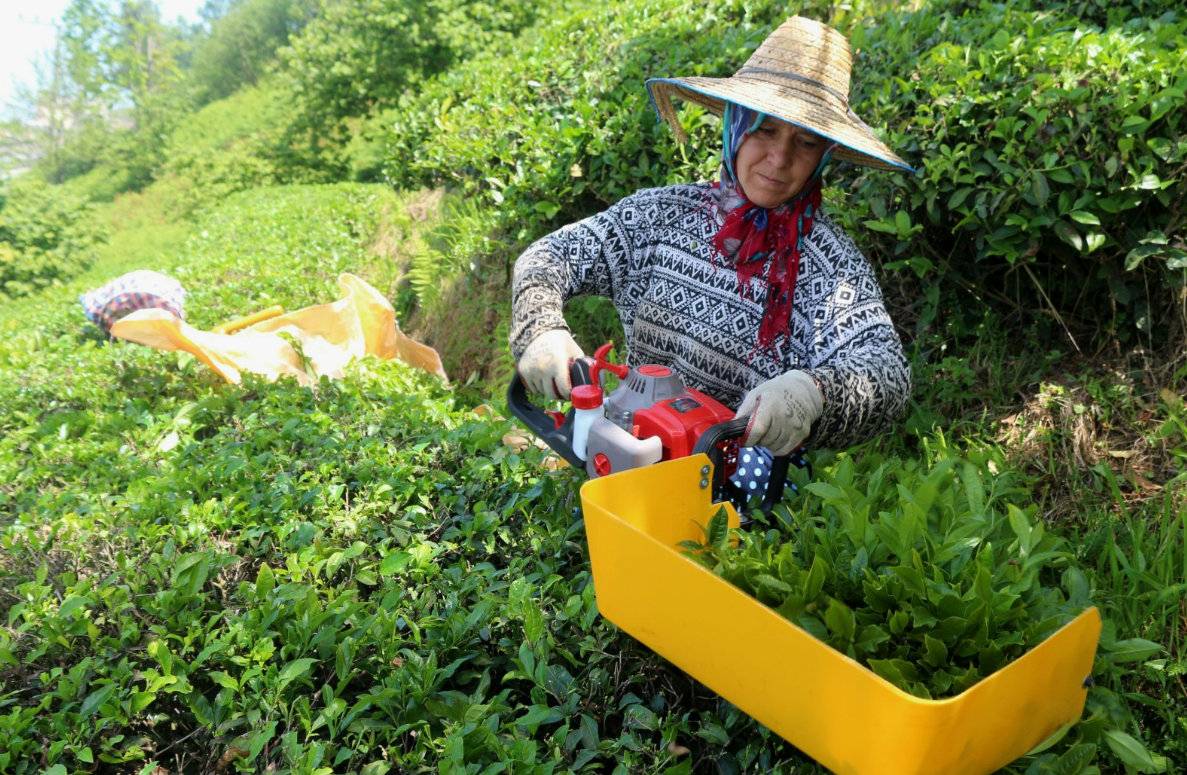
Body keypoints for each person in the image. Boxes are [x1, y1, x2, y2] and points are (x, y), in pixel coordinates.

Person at [510, 16, 913, 488]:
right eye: (764, 131)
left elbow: (885, 374)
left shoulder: (829, 264)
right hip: (627, 461)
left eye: (804, 142)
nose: (779, 159)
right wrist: (540, 330)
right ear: (735, 126)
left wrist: (814, 392)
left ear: (824, 155)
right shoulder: (660, 217)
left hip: (743, 505)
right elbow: (548, 257)